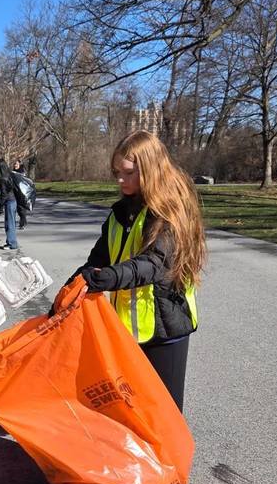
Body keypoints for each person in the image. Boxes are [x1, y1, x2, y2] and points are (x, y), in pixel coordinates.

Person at [60, 130, 206, 412]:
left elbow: (155, 264)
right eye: (116, 172)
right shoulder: (119, 213)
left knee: (164, 412)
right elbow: (97, 259)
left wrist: (108, 278)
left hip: (166, 331)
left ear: (149, 169)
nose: (119, 180)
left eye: (127, 173)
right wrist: (72, 288)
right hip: (126, 331)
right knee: (131, 410)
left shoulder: (170, 211)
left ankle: (167, 459)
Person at [0, 158, 20, 251]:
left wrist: (0, 207)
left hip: (9, 201)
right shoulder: (10, 174)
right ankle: (11, 241)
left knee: (9, 223)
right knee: (11, 222)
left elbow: (4, 194)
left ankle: (12, 243)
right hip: (13, 200)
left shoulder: (2, 177)